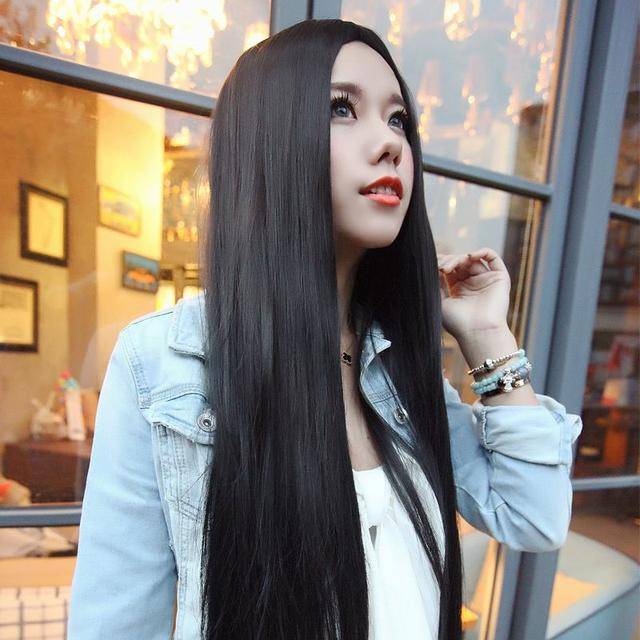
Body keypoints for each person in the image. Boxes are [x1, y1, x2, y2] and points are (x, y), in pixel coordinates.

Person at [67, 18, 583, 640]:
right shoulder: (165, 361)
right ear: (269, 139)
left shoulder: (398, 367)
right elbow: (115, 623)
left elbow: (534, 517)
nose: (390, 143)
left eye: (398, 120)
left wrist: (487, 336)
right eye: (342, 109)